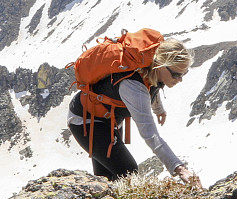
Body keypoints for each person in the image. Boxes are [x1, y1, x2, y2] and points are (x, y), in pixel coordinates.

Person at [66, 38, 202, 186]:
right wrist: (180, 169)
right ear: (161, 65)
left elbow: (153, 86)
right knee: (128, 172)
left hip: (110, 118)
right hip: (86, 121)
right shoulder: (133, 87)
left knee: (108, 178)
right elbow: (151, 135)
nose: (180, 79)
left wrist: (158, 109)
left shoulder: (152, 70)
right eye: (176, 74)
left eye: (184, 73)